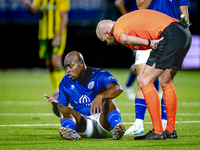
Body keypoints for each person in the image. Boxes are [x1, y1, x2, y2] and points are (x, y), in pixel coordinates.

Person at [96, 9, 192, 140]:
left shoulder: (118, 27)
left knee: (143, 81)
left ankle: (158, 132)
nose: (107, 42)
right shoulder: (126, 21)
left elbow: (124, 38)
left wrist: (149, 42)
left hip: (170, 34)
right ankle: (170, 131)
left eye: (104, 39)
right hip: (183, 32)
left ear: (108, 32)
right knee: (166, 81)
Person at [43, 51, 125, 140]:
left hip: (103, 122)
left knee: (108, 100)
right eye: (66, 67)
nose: (68, 71)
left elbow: (118, 88)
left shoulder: (100, 74)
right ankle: (69, 130)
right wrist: (55, 105)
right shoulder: (65, 81)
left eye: (70, 66)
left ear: (81, 63)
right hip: (84, 124)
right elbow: (60, 113)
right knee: (62, 107)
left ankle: (116, 127)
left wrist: (101, 96)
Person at [115, 0, 164, 135]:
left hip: (161, 31)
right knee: (142, 77)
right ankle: (139, 124)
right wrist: (128, 20)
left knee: (163, 78)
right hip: (142, 32)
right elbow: (134, 5)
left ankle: (163, 124)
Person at [21, 0, 70, 98]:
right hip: (44, 34)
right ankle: (56, 89)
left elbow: (64, 16)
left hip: (56, 34)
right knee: (49, 64)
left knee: (55, 62)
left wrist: (59, 35)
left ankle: (63, 90)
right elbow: (33, 10)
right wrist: (27, 3)